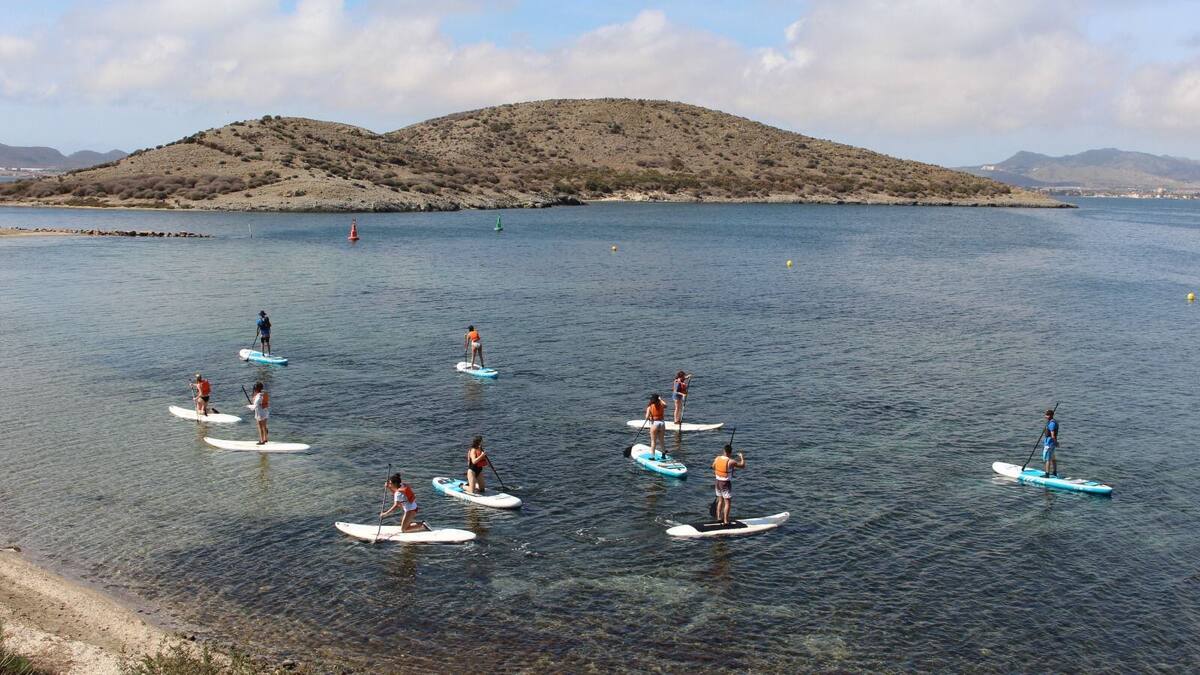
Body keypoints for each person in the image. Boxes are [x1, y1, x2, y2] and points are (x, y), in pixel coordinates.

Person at [712, 443, 746, 525]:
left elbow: (713, 466)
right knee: (727, 502)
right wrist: (742, 457)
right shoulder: (731, 461)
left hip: (717, 482)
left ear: (723, 451)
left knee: (720, 500)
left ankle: (718, 517)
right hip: (725, 483)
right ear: (730, 452)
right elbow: (742, 466)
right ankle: (726, 521)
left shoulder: (717, 458)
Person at [645, 393, 667, 459]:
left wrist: (650, 418)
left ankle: (652, 456)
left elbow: (646, 417)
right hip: (662, 423)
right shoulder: (662, 405)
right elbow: (666, 405)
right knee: (661, 440)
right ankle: (663, 455)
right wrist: (660, 399)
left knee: (653, 441)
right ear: (658, 399)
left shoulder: (650, 407)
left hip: (654, 424)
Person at [1042, 408, 1060, 478]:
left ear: (1049, 415)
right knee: (1053, 458)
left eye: (1046, 415)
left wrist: (1056, 442)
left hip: (1049, 444)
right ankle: (1054, 472)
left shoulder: (1051, 424)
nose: (1045, 416)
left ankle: (1047, 474)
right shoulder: (1052, 422)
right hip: (1051, 444)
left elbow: (1052, 434)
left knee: (1047, 459)